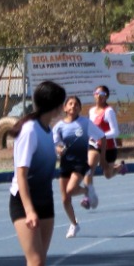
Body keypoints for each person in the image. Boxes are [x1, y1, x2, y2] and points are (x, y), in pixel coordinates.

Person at [11, 80, 65, 266]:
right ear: (55, 106)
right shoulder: (30, 130)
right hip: (24, 204)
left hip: (45, 200)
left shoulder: (47, 131)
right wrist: (29, 209)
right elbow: (20, 174)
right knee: (37, 265)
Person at [52, 95, 105, 239]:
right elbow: (55, 144)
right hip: (65, 164)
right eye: (70, 104)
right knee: (65, 199)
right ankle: (74, 224)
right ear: (65, 108)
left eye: (76, 104)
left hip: (80, 163)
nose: (73, 106)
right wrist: (59, 149)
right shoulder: (59, 126)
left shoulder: (85, 123)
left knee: (70, 190)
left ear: (80, 108)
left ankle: (86, 191)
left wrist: (103, 158)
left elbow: (101, 136)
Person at [83, 85, 127, 203]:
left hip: (109, 147)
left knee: (108, 175)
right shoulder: (91, 111)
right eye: (97, 93)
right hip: (94, 145)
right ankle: (88, 196)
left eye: (102, 94)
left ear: (106, 97)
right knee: (89, 169)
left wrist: (102, 136)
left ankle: (120, 167)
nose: (99, 96)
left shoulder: (109, 112)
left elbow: (115, 131)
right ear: (94, 95)